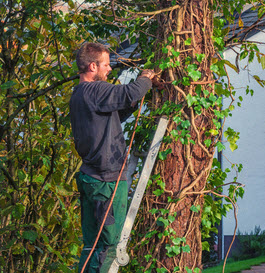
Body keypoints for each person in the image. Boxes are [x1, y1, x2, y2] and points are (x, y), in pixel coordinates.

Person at [69, 42, 155, 273]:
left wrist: (133, 101)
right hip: (106, 183)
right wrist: (146, 78)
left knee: (91, 245)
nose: (109, 70)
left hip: (90, 178)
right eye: (106, 65)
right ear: (92, 66)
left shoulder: (79, 95)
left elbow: (114, 113)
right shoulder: (96, 90)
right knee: (109, 246)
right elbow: (129, 92)